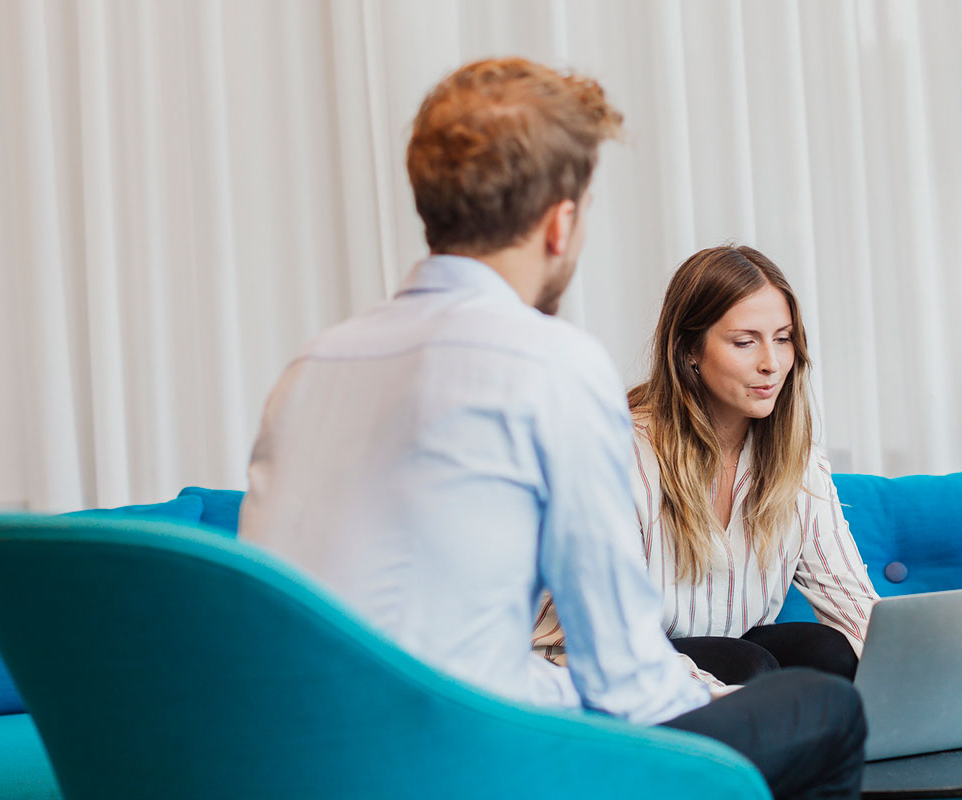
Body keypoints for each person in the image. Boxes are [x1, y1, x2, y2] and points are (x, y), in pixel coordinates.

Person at [240, 58, 865, 799]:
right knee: (824, 710)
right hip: (479, 752)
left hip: (303, 757)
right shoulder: (548, 364)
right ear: (561, 223)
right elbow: (623, 674)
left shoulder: (312, 367)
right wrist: (737, 703)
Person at [533, 246, 879, 687]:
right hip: (584, 669)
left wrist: (925, 680)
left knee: (827, 651)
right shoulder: (616, 456)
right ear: (689, 350)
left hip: (722, 657)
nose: (772, 364)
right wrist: (753, 707)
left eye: (783, 338)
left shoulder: (800, 460)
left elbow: (857, 611)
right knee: (749, 667)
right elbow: (616, 641)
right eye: (745, 342)